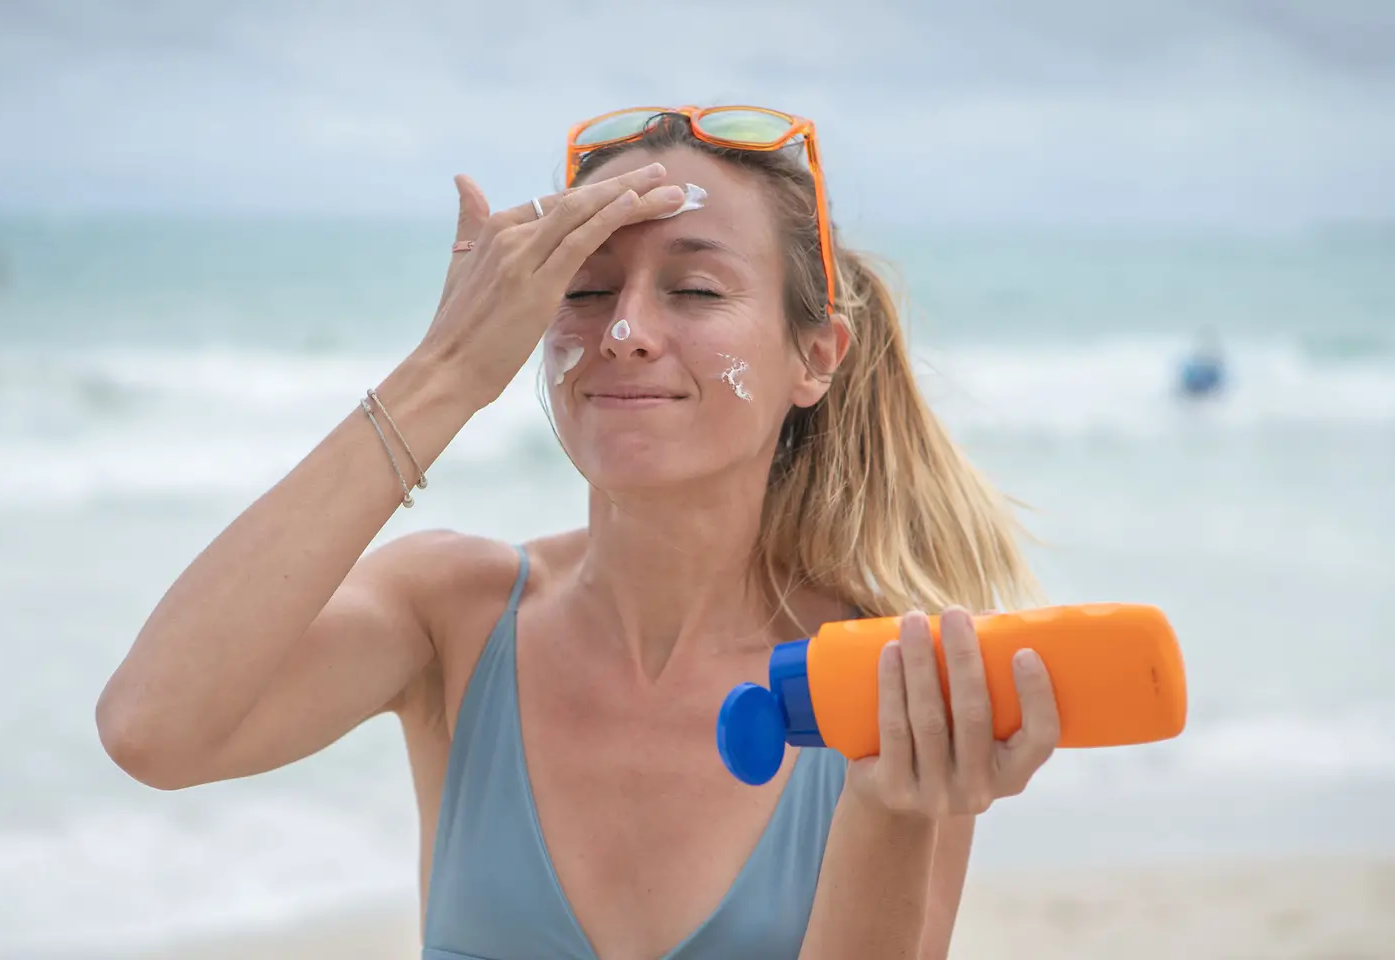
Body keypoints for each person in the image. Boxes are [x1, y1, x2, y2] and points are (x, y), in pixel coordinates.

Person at [97, 106, 1062, 959]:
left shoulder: (887, 680)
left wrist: (893, 811)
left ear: (815, 356)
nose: (625, 330)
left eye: (694, 291)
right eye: (586, 290)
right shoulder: (453, 619)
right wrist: (445, 373)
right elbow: (154, 730)